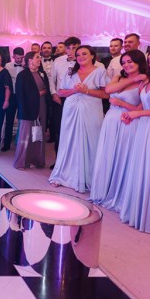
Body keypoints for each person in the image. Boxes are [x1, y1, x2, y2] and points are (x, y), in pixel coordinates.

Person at [91, 50, 147, 211]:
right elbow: (108, 91)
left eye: (131, 62)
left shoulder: (145, 82)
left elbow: (139, 108)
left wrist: (122, 104)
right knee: (107, 155)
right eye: (124, 62)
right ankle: (103, 190)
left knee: (122, 157)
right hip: (110, 120)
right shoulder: (119, 77)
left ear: (139, 62)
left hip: (127, 122)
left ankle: (118, 193)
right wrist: (134, 78)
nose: (126, 65)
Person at [49, 45, 109, 192]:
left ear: (92, 56)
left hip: (91, 110)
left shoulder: (100, 71)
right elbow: (61, 92)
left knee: (91, 141)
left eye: (84, 54)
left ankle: (88, 178)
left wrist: (86, 91)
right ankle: (63, 175)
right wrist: (75, 90)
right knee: (69, 140)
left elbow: (106, 94)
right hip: (71, 110)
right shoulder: (71, 72)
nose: (81, 57)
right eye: (78, 55)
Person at [119, 43, 150, 235]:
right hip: (144, 127)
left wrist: (139, 114)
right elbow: (142, 105)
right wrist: (131, 114)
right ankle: (141, 212)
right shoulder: (149, 78)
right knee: (143, 167)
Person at [13, 52, 50, 169]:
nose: (40, 59)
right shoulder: (22, 75)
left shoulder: (42, 73)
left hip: (42, 106)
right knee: (25, 135)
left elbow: (47, 89)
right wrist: (39, 93)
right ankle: (21, 162)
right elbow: (20, 94)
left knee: (39, 134)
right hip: (27, 108)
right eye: (37, 57)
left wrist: (44, 93)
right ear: (30, 60)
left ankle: (37, 160)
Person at [3, 47, 25, 152]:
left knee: (23, 120)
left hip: (22, 96)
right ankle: (6, 144)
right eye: (17, 58)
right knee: (9, 120)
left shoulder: (26, 66)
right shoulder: (7, 66)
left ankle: (21, 143)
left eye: (21, 58)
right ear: (13, 57)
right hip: (11, 96)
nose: (19, 60)